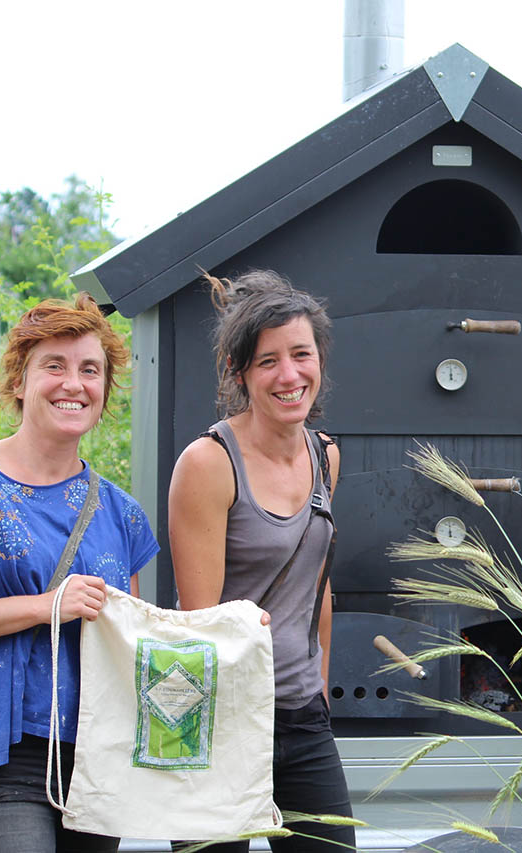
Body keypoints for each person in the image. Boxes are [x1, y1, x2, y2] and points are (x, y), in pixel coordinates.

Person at [0, 293, 159, 853]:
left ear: (106, 389)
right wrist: (46, 606)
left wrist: (230, 631)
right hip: (0, 760)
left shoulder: (120, 514)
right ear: (20, 382)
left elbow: (128, 645)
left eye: (91, 370)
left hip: (94, 765)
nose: (74, 383)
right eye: (54, 366)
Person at [167, 270, 354, 852]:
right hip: (219, 721)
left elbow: (317, 583)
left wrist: (318, 687)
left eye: (301, 354)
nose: (289, 375)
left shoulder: (326, 457)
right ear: (239, 372)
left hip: (302, 718)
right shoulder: (208, 464)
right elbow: (203, 621)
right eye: (267, 361)